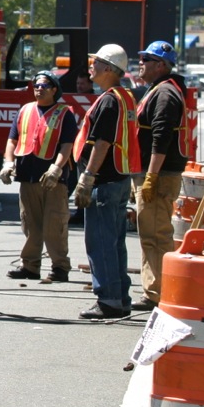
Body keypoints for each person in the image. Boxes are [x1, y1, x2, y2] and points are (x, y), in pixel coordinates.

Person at [71, 43, 141, 319]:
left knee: (100, 242)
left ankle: (108, 300)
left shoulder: (111, 100)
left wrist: (87, 177)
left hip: (104, 181)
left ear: (110, 70)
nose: (92, 67)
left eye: (96, 63)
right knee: (114, 241)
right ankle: (120, 297)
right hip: (118, 179)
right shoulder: (125, 97)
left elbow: (102, 143)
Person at [0, 70, 78, 283]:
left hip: (53, 180)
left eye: (44, 85)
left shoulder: (64, 114)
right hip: (27, 177)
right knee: (30, 225)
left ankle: (60, 268)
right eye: (36, 85)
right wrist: (8, 163)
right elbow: (12, 141)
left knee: (55, 225)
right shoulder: (25, 110)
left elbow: (67, 145)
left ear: (54, 90)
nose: (39, 89)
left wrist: (56, 168)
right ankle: (30, 266)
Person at [132, 41, 188, 313]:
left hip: (159, 175)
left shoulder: (165, 93)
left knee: (156, 235)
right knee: (150, 234)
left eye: (147, 59)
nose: (141, 62)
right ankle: (154, 290)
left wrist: (151, 176)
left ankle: (161, 293)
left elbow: (161, 138)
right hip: (155, 173)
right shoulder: (160, 90)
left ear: (161, 65)